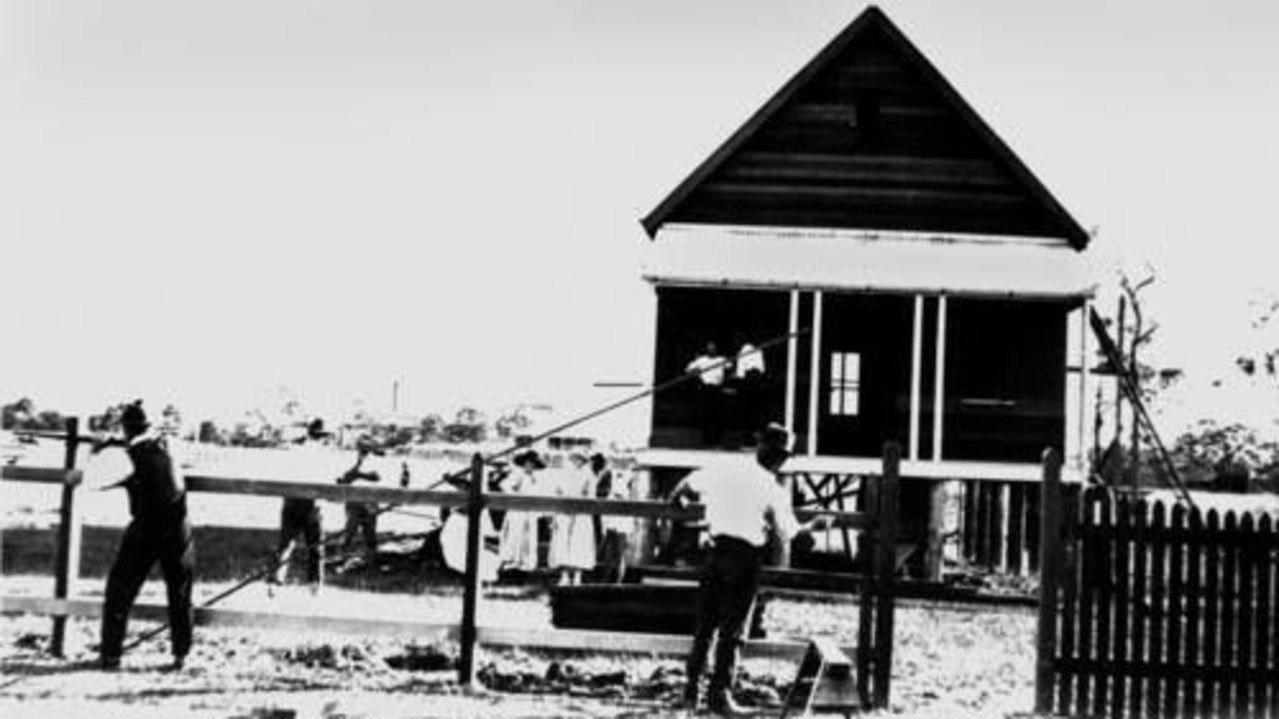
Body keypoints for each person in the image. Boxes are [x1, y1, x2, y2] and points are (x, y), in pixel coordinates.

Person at [668, 423, 829, 715]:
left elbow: (682, 489)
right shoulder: (773, 489)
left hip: (714, 551)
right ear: (781, 458)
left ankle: (690, 691)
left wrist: (679, 502)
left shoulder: (725, 469)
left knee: (704, 626)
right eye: (783, 456)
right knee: (732, 631)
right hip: (744, 558)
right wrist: (817, 527)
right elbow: (796, 538)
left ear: (759, 445)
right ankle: (719, 697)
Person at [95, 401, 194, 671]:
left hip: (147, 528)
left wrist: (101, 449)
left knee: (119, 592)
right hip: (179, 527)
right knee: (180, 593)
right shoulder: (170, 445)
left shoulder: (126, 455)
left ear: (126, 429)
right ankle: (180, 656)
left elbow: (92, 481)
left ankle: (111, 655)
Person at [270, 418, 329, 593]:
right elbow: (324, 481)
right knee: (315, 546)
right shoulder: (321, 454)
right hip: (311, 502)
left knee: (286, 544)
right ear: (321, 436)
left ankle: (275, 582)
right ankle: (314, 585)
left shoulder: (294, 448)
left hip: (290, 499)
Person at [547, 452, 596, 586]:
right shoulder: (564, 474)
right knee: (563, 543)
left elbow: (590, 495)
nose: (576, 461)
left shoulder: (589, 475)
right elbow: (557, 491)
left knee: (579, 544)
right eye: (574, 458)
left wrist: (582, 499)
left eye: (579, 459)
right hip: (564, 512)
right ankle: (565, 575)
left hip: (581, 514)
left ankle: (578, 575)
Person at [337, 436, 383, 567]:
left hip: (370, 502)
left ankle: (371, 560)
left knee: (370, 533)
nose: (364, 452)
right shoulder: (350, 459)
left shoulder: (376, 460)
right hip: (354, 504)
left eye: (366, 449)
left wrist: (358, 474)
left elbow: (377, 477)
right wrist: (355, 472)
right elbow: (345, 478)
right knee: (350, 532)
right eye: (362, 449)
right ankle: (343, 559)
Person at [498, 449, 545, 573]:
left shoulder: (533, 477)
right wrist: (516, 495)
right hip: (518, 510)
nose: (530, 466)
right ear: (524, 463)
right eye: (528, 463)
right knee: (515, 534)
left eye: (533, 464)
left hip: (529, 510)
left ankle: (525, 562)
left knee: (527, 536)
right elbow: (504, 485)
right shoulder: (518, 474)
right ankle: (510, 561)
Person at [591, 452, 630, 584]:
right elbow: (598, 491)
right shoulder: (607, 474)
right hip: (609, 517)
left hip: (624, 518)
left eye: (623, 459)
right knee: (607, 548)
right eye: (617, 459)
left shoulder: (631, 475)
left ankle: (619, 580)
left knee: (620, 550)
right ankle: (604, 578)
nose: (620, 462)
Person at [686, 340, 728, 447]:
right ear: (706, 349)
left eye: (713, 348)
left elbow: (730, 368)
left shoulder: (722, 359)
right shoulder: (701, 360)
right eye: (709, 348)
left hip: (717, 389)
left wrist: (725, 382)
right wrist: (697, 375)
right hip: (706, 389)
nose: (711, 350)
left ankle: (717, 441)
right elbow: (688, 369)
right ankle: (707, 441)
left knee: (718, 416)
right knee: (706, 415)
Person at [732, 333, 766, 444]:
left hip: (750, 381)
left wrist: (737, 379)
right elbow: (761, 369)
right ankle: (752, 437)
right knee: (753, 411)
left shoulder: (748, 351)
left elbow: (741, 372)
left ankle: (750, 438)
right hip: (755, 380)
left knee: (749, 411)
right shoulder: (753, 349)